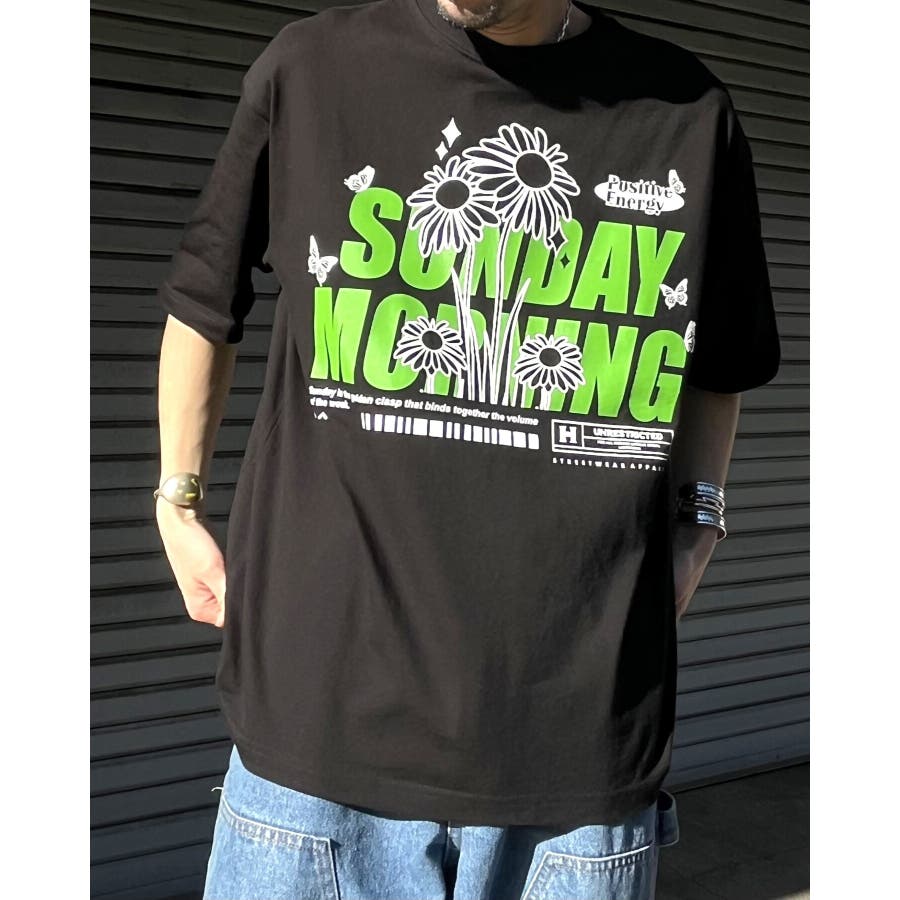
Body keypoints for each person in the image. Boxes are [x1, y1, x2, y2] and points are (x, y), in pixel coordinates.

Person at [154, 0, 781, 896]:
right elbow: (203, 300)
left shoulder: (687, 112)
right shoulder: (314, 69)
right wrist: (177, 500)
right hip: (317, 747)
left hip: (575, 760)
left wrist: (700, 522)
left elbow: (721, 362)